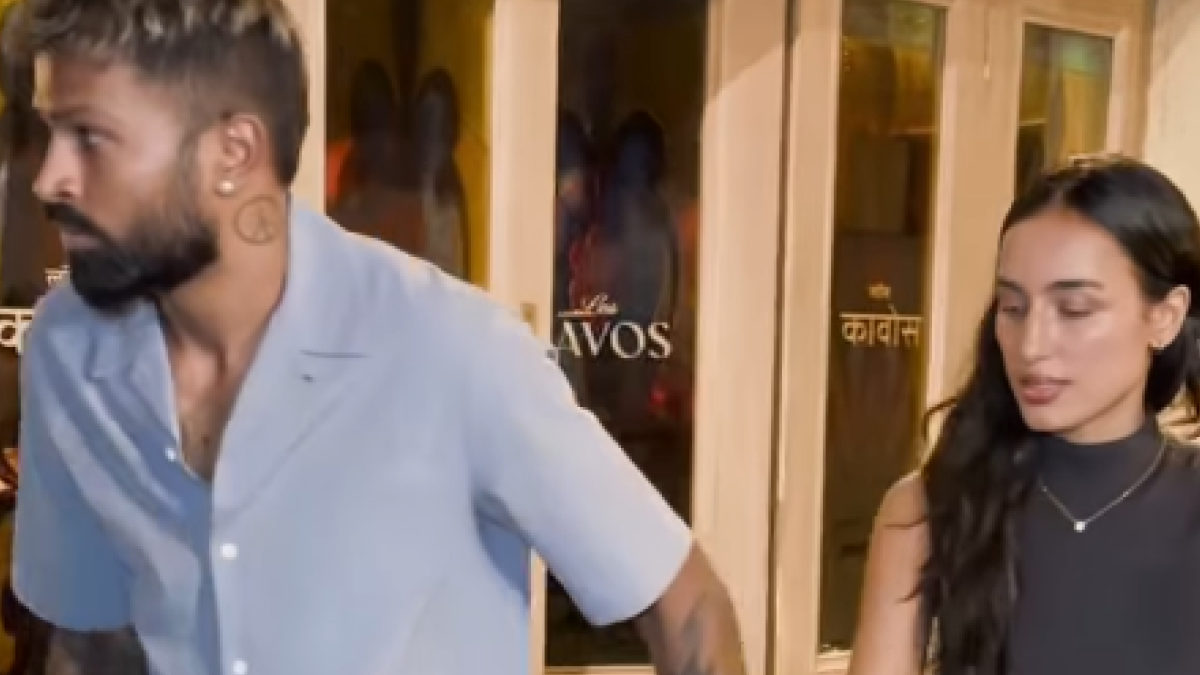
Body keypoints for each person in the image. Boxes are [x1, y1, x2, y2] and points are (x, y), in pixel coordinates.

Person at [10, 1, 746, 674]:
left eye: (90, 138)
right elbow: (91, 638)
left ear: (232, 152)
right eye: (49, 134)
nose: (49, 178)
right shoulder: (67, 351)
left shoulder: (450, 350)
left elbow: (688, 610)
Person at [849, 154, 1200, 675]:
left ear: (1165, 317)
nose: (1032, 345)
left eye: (1074, 310)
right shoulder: (926, 510)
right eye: (1013, 308)